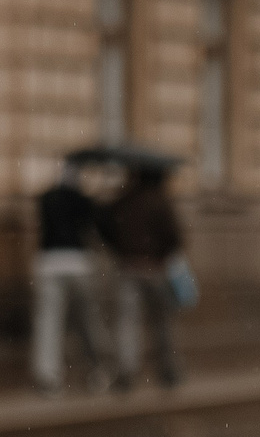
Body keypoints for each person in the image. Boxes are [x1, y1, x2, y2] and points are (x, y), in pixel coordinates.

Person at [101, 165, 184, 389]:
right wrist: (161, 254)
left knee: (127, 322)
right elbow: (175, 237)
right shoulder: (160, 201)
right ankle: (167, 370)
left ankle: (127, 370)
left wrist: (120, 249)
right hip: (155, 269)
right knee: (161, 323)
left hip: (128, 268)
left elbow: (105, 225)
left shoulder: (123, 200)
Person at [32, 163, 112, 394]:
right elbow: (96, 228)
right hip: (78, 262)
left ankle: (48, 376)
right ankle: (97, 367)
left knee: (48, 322)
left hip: (49, 262)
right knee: (88, 320)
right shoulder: (83, 200)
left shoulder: (46, 198)